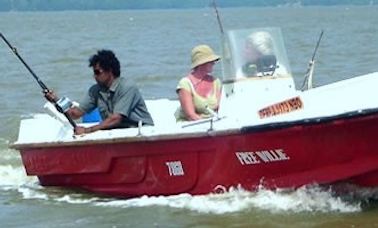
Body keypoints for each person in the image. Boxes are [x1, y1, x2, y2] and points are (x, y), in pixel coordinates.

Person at [45, 49, 154, 135]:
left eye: (97, 72)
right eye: (93, 72)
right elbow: (75, 114)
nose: (94, 76)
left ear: (110, 71)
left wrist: (87, 130)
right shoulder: (95, 90)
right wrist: (56, 100)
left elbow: (115, 119)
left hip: (140, 131)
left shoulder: (127, 87)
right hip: (115, 133)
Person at [175, 44, 222, 121]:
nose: (214, 63)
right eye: (211, 61)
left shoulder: (216, 82)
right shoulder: (185, 84)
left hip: (212, 124)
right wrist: (206, 124)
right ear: (201, 63)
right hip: (190, 125)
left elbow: (220, 108)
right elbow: (191, 116)